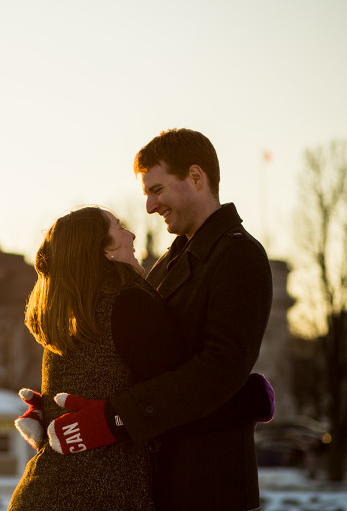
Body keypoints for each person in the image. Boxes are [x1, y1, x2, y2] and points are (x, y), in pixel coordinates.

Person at [42, 129, 273, 511]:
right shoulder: (170, 261)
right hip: (159, 478)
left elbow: (219, 370)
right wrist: (60, 402)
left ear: (196, 177)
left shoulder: (238, 255)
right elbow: (141, 358)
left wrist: (115, 418)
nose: (149, 206)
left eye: (157, 190)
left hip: (207, 484)